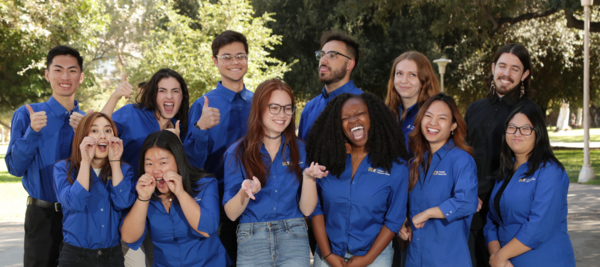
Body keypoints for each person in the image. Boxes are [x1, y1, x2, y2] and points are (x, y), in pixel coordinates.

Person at [222, 78, 326, 266]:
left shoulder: (302, 150)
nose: (282, 114)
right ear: (259, 108)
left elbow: (307, 209)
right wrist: (245, 192)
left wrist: (309, 178)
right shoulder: (237, 152)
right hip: (252, 238)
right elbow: (231, 213)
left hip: (294, 235)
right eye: (274, 107)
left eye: (288, 108)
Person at [5, 45, 87, 266]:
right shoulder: (27, 114)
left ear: (81, 76)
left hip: (80, 216)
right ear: (47, 74)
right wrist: (32, 133)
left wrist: (86, 135)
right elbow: (15, 168)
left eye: (72, 70)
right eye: (58, 69)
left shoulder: (88, 121)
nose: (65, 76)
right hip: (41, 216)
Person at [463, 43, 544, 267]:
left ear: (525, 74)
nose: (506, 74)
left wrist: (476, 193)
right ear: (493, 68)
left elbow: (526, 164)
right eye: (502, 66)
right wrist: (465, 193)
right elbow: (463, 156)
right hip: (469, 211)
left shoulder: (530, 112)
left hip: (505, 213)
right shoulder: (474, 109)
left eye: (515, 69)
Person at [307, 92, 409, 267]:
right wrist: (327, 254)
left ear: (373, 118)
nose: (353, 120)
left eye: (360, 113)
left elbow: (394, 219)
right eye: (345, 117)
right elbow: (315, 209)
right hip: (328, 256)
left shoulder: (395, 167)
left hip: (375, 258)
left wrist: (368, 259)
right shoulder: (326, 163)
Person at [102, 68, 190, 266]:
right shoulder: (132, 113)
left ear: (182, 96)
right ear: (153, 93)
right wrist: (115, 96)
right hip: (124, 204)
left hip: (158, 210)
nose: (169, 96)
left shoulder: (178, 127)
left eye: (175, 91)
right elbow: (100, 129)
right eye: (162, 90)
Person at [183, 30, 253, 264]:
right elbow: (191, 164)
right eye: (227, 57)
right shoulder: (203, 105)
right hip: (216, 204)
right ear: (215, 61)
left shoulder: (260, 102)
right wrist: (200, 129)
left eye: (240, 56)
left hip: (257, 202)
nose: (234, 62)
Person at [121, 130, 230, 267]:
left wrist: (181, 193)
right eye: (149, 164)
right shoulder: (144, 193)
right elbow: (129, 238)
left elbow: (208, 229)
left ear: (178, 161)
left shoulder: (205, 184)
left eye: (163, 162)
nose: (155, 170)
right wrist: (143, 199)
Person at [484, 106, 575, 267]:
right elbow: (492, 219)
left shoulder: (550, 171)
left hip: (545, 260)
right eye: (511, 127)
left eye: (525, 128)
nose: (517, 133)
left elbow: (538, 225)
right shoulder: (505, 171)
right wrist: (496, 256)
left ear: (538, 133)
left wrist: (501, 256)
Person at [399, 93, 479, 267]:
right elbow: (407, 205)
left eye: (442, 118)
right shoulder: (416, 164)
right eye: (428, 116)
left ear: (453, 125)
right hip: (414, 259)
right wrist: (402, 223)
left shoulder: (461, 160)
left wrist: (427, 213)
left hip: (448, 260)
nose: (433, 123)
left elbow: (467, 202)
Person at [53, 112, 135, 266]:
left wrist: (115, 162)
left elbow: (123, 203)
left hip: (112, 256)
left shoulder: (124, 170)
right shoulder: (62, 169)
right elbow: (75, 203)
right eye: (94, 131)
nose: (102, 136)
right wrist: (85, 161)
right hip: (75, 256)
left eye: (108, 130)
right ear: (83, 136)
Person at [298, 30, 363, 141]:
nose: (323, 60)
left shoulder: (366, 105)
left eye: (332, 55)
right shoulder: (309, 108)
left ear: (349, 64)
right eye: (322, 55)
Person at [385, 51, 440, 151]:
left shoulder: (432, 117)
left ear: (425, 80)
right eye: (399, 73)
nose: (403, 81)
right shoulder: (387, 114)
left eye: (412, 75)